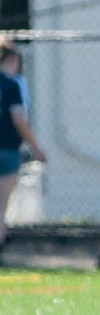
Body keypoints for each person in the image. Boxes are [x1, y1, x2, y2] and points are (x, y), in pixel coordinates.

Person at [0, 42, 46, 257]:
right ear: (10, 60)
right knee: (1, 205)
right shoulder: (11, 85)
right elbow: (18, 119)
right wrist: (36, 147)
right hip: (7, 149)